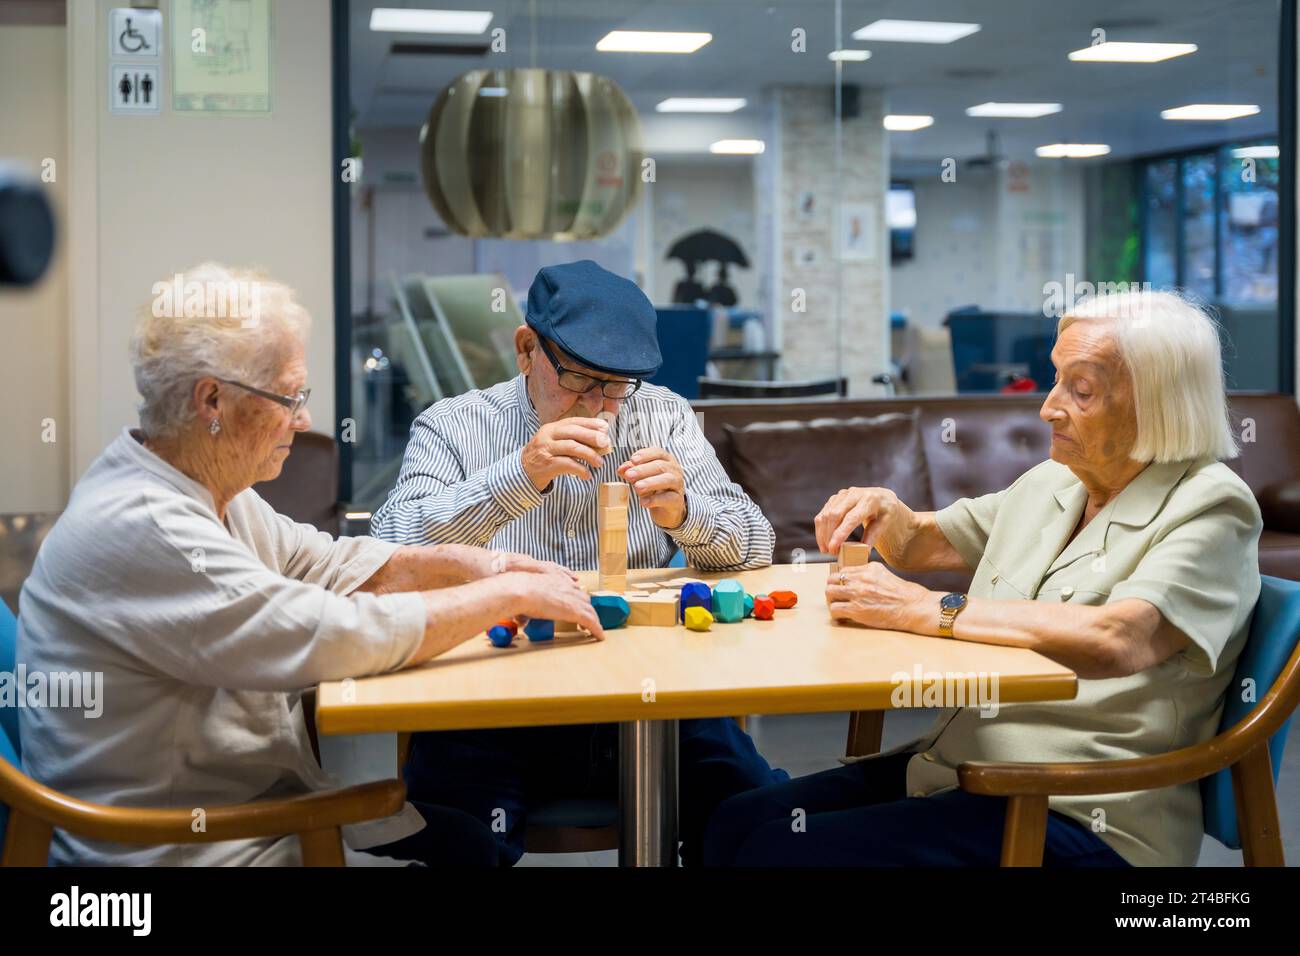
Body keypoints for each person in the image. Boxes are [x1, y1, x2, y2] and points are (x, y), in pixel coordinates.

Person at [17, 263, 604, 866]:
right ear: (212, 401)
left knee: (471, 844)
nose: (303, 420)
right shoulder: (149, 524)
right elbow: (329, 634)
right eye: (288, 398)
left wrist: (485, 564)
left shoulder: (209, 490)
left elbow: (331, 563)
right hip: (193, 848)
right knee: (469, 850)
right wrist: (503, 598)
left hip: (253, 808)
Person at [704, 290, 1261, 867]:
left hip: (1082, 809)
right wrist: (884, 510)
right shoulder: (1057, 482)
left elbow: (1118, 639)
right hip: (961, 770)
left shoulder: (1212, 505)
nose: (1048, 407)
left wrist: (929, 610)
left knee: (776, 853)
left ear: (1157, 403)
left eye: (1083, 390)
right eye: (1056, 379)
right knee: (737, 821)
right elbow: (922, 540)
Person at [370, 259, 784, 865]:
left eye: (617, 385)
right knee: (457, 838)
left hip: (652, 700)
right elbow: (387, 553)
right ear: (526, 349)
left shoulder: (663, 415)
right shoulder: (455, 425)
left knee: (755, 815)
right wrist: (519, 475)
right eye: (580, 379)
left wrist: (685, 514)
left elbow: (758, 544)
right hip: (495, 701)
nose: (599, 406)